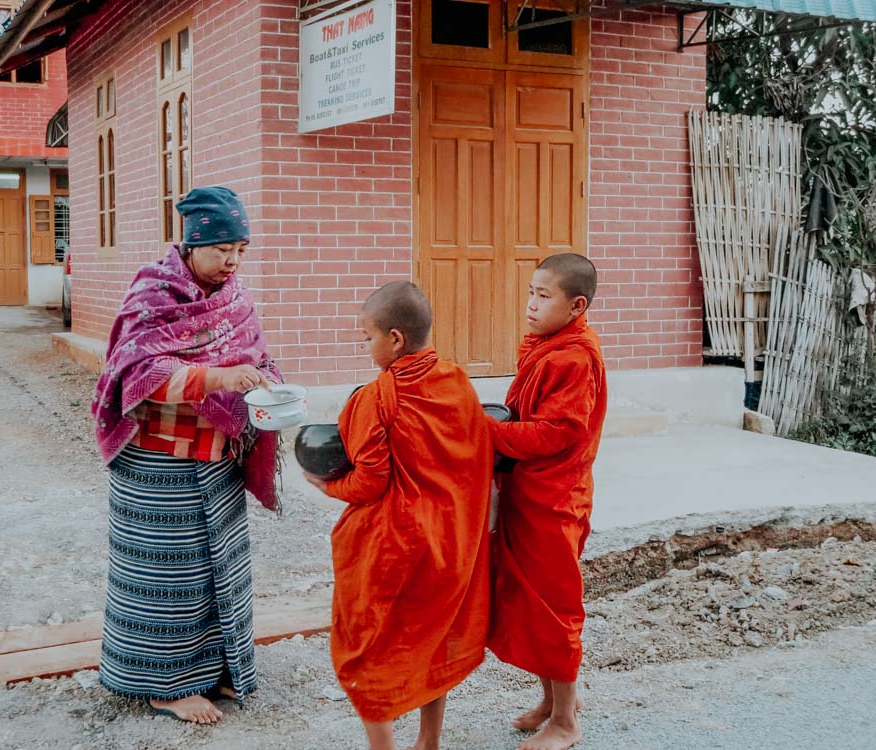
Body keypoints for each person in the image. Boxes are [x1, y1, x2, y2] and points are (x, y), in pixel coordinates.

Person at [92, 186, 282, 725]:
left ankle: (218, 667)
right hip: (158, 465)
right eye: (223, 247)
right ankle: (165, 685)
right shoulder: (153, 294)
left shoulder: (234, 295)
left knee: (218, 570)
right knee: (167, 579)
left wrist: (269, 386)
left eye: (241, 248)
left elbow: (257, 354)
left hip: (216, 459)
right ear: (194, 242)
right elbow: (135, 375)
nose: (232, 260)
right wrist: (219, 377)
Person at [304, 281, 493, 750]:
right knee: (434, 640)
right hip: (450, 541)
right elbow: (473, 459)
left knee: (365, 648)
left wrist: (326, 485)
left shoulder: (377, 396)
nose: (365, 347)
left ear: (395, 339)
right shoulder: (457, 382)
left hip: (396, 546)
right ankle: (428, 741)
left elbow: (369, 482)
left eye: (367, 337)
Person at [488, 253, 607, 750]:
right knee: (531, 604)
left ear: (576, 306)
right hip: (529, 492)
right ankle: (553, 700)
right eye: (530, 292)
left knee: (555, 608)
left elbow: (557, 432)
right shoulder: (549, 343)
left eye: (543, 296)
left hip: (555, 499)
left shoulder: (574, 357)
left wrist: (487, 431)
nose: (530, 305)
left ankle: (565, 722)